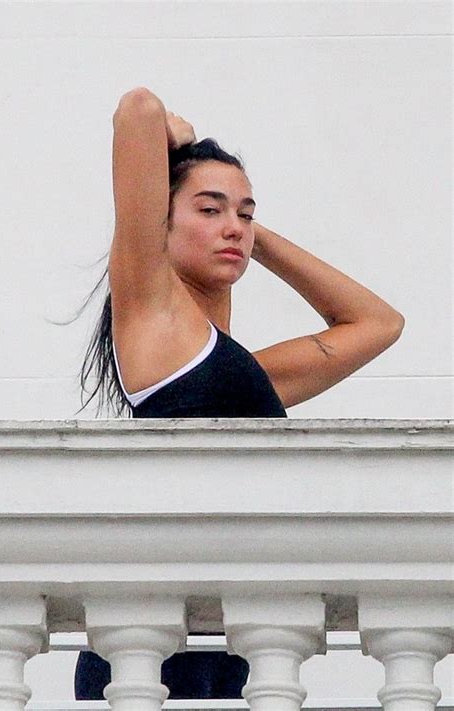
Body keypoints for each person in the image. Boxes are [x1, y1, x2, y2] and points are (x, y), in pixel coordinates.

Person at [75, 87, 405, 699]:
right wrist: (178, 139)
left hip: (231, 641)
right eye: (209, 210)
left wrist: (249, 231)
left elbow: (378, 324)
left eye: (245, 213)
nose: (234, 228)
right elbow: (137, 109)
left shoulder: (244, 374)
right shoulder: (152, 321)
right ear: (160, 222)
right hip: (149, 644)